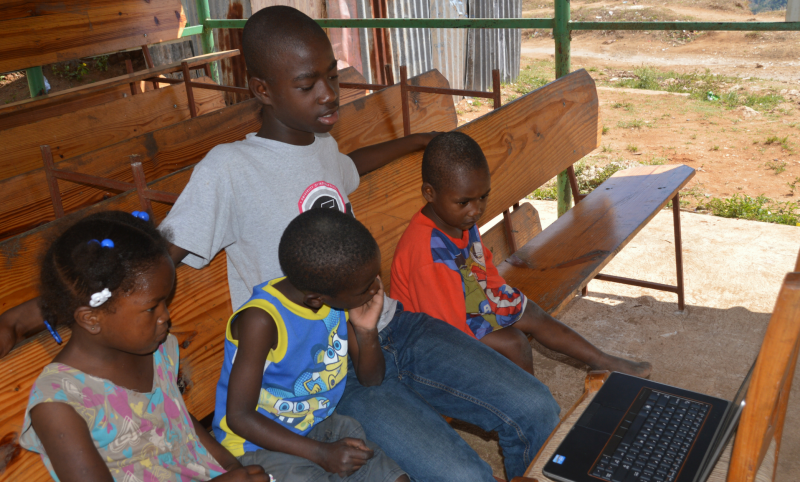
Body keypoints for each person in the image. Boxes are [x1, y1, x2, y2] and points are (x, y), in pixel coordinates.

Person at [3, 7, 561, 480]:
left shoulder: (321, 143)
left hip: (392, 324)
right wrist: (30, 315)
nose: (327, 94)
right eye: (307, 84)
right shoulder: (229, 169)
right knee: (464, 474)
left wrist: (413, 140)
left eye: (330, 75)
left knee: (538, 408)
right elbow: (143, 259)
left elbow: (346, 170)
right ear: (263, 90)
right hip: (322, 367)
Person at [19, 211, 271, 482]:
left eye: (165, 301)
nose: (166, 316)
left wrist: (233, 469)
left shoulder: (154, 351)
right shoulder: (59, 403)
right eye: (152, 307)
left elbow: (181, 423)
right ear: (91, 319)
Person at [390, 132, 653, 378]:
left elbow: (484, 271)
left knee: (531, 312)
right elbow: (448, 330)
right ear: (429, 193)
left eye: (483, 197)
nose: (476, 209)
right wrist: (498, 322)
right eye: (464, 202)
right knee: (514, 343)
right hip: (431, 338)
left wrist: (507, 301)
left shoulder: (457, 220)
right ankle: (527, 409)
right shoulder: (426, 254)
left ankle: (601, 361)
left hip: (466, 304)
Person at [213, 209, 408, 482]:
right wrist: (319, 453)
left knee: (395, 478)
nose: (376, 289)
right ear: (316, 299)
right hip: (257, 445)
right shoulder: (262, 320)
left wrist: (366, 331)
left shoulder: (336, 297)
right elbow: (239, 417)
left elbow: (371, 379)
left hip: (317, 427)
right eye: (366, 287)